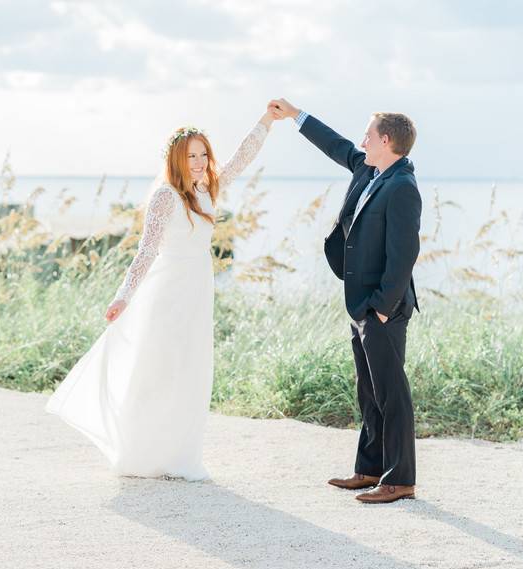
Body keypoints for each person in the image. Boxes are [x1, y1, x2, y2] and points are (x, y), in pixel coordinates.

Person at [45, 108, 277, 481]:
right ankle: (142, 454)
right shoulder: (164, 197)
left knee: (191, 370)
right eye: (192, 156)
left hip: (198, 290)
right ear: (176, 159)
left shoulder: (208, 187)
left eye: (204, 154)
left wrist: (266, 122)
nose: (201, 162)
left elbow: (241, 159)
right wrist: (123, 295)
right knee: (159, 369)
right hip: (167, 292)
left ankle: (179, 455)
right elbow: (146, 252)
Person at [269, 98, 422, 504]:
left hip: (382, 307)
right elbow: (336, 145)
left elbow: (404, 254)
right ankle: (370, 469)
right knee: (369, 390)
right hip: (360, 304)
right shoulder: (370, 169)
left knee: (392, 393)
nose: (362, 141)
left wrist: (383, 308)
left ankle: (399, 479)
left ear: (385, 140)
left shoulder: (402, 186)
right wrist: (295, 115)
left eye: (368, 135)